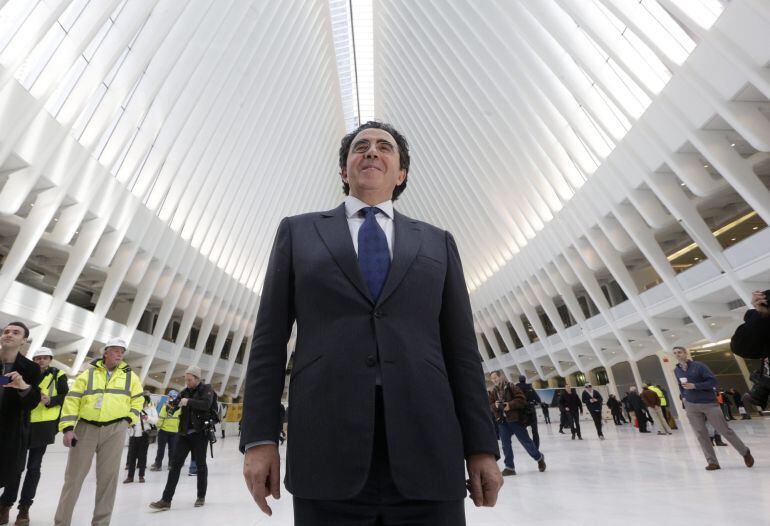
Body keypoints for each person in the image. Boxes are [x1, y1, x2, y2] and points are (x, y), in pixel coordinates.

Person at [240, 121, 502, 525]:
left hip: (428, 445)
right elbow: (268, 341)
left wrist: (481, 447)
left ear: (401, 174)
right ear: (345, 171)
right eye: (360, 147)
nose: (372, 151)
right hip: (326, 444)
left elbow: (462, 351)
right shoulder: (299, 232)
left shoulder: (437, 242)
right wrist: (260, 439)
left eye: (385, 147)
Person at [54, 338, 144, 526]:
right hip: (86, 428)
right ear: (106, 352)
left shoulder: (130, 376)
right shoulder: (88, 374)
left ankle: (101, 523)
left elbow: (137, 401)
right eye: (115, 350)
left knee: (108, 480)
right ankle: (61, 522)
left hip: (115, 429)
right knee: (73, 479)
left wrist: (128, 420)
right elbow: (72, 401)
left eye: (122, 351)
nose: (120, 354)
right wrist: (68, 429)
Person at [1, 347, 66, 526]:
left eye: (45, 358)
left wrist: (50, 401)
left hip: (43, 427)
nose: (41, 361)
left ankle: (24, 509)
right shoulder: (26, 372)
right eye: (38, 358)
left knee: (33, 467)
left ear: (50, 359)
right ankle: (5, 506)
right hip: (22, 423)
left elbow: (65, 397)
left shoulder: (58, 375)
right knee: (15, 466)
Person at [672, 346, 754, 471]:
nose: (677, 355)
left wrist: (695, 385)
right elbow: (681, 386)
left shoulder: (699, 366)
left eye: (679, 352)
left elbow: (713, 382)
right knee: (700, 434)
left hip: (709, 403)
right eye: (675, 353)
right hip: (691, 405)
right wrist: (684, 397)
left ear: (685, 353)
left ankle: (745, 452)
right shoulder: (676, 370)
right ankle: (712, 462)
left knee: (724, 430)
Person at [150, 366, 214, 510]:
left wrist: (188, 402)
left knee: (201, 466)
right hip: (184, 434)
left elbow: (206, 404)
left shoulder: (206, 389)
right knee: (175, 465)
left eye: (189, 380)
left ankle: (201, 496)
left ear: (197, 379)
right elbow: (175, 404)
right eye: (186, 380)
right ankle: (166, 500)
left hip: (200, 434)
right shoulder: (184, 392)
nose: (187, 382)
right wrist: (172, 406)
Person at [0, 322, 41, 526]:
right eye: (6, 331)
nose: (9, 334)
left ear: (24, 340)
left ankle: (6, 506)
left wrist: (23, 386)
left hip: (12, 431)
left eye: (15, 333)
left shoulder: (31, 369)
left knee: (11, 472)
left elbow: (32, 402)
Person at [489, 371, 546, 476]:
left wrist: (509, 405)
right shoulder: (493, 391)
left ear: (500, 376)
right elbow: (490, 405)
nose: (494, 380)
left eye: (495, 377)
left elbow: (521, 400)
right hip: (502, 421)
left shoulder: (511, 386)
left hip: (514, 419)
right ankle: (509, 467)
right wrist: (495, 406)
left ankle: (539, 457)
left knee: (525, 441)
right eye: (492, 379)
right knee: (505, 445)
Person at [124, 395, 158, 483]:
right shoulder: (134, 408)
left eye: (144, 402)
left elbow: (155, 420)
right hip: (133, 434)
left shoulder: (151, 409)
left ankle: (141, 476)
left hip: (144, 435)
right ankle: (130, 476)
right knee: (132, 457)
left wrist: (148, 418)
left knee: (142, 457)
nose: (142, 403)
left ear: (147, 402)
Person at [150, 390, 180, 471]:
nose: (168, 398)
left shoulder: (165, 407)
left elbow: (161, 419)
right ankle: (171, 465)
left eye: (169, 396)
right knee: (172, 449)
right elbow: (180, 420)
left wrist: (157, 426)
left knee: (161, 449)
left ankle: (158, 465)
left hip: (164, 431)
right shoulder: (179, 408)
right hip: (174, 431)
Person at [515, 374, 542, 448]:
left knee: (523, 431)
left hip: (521, 413)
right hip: (531, 411)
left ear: (519, 380)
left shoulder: (516, 388)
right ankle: (536, 447)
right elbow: (538, 399)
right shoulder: (530, 387)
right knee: (535, 431)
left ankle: (529, 446)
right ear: (525, 380)